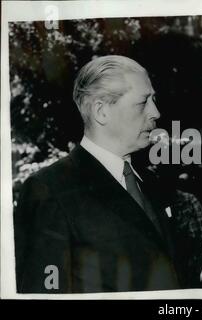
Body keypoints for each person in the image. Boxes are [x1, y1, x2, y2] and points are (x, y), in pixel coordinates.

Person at [14, 55, 180, 293]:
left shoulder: (151, 184)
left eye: (154, 100)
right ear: (101, 111)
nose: (156, 112)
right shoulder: (50, 190)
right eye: (143, 102)